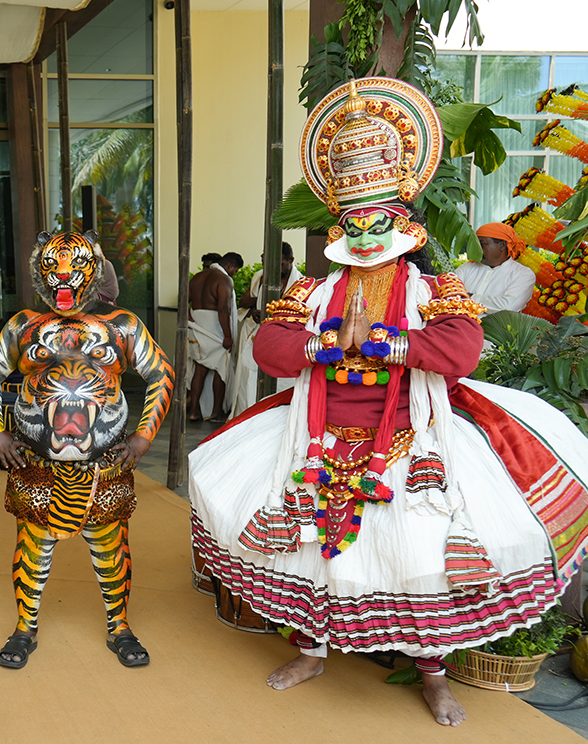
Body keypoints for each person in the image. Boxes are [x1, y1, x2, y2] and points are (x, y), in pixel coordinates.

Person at [190, 77, 588, 727]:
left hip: (414, 442)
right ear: (339, 226)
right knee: (314, 552)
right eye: (355, 221)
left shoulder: (436, 287)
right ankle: (312, 651)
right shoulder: (313, 292)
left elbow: (459, 350)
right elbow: (270, 349)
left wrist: (386, 344)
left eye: (380, 219)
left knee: (419, 559)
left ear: (405, 222)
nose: (368, 230)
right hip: (315, 441)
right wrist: (325, 344)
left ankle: (432, 673)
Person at [0, 230, 175, 670]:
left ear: (95, 270)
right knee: (32, 546)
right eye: (52, 266)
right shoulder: (22, 325)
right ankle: (24, 628)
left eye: (74, 266)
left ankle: (119, 627)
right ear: (40, 272)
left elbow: (162, 373)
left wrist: (144, 434)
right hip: (36, 463)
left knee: (111, 547)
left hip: (103, 464)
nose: (62, 275)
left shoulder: (121, 325)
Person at [229, 243, 302, 416]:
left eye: (280, 264)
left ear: (291, 261)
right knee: (249, 378)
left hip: (284, 341)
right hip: (258, 336)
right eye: (267, 263)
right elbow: (244, 301)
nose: (273, 269)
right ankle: (248, 415)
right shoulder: (260, 277)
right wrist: (256, 311)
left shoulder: (301, 283)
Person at [185, 251, 243, 422]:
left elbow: (183, 302)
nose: (234, 274)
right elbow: (223, 309)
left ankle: (194, 411)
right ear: (231, 266)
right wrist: (228, 336)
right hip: (215, 328)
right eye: (236, 270)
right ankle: (216, 412)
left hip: (197, 326)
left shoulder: (196, 278)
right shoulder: (224, 280)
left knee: (200, 370)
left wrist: (191, 321)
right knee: (221, 369)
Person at [454, 222, 536, 315]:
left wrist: (469, 297)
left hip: (495, 329)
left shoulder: (523, 274)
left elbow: (508, 307)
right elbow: (446, 294)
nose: (477, 249)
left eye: (482, 244)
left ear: (501, 245)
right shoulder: (466, 268)